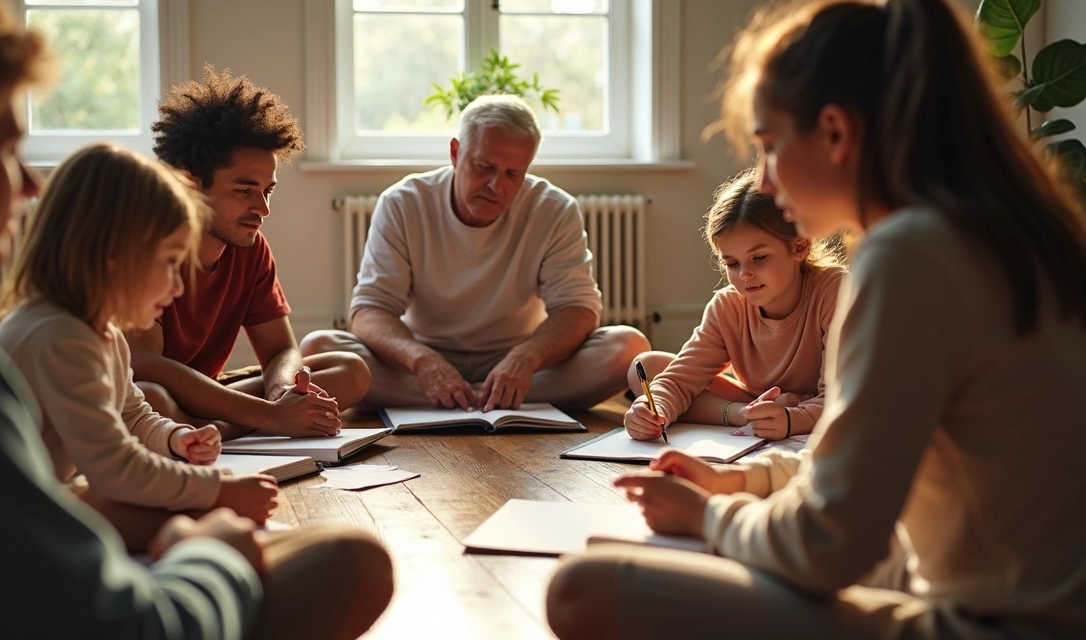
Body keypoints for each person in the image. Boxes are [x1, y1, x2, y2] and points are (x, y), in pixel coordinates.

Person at [546, 0, 1086, 638]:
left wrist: (708, 520)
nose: (767, 184)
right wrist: (743, 479)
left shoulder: (908, 253)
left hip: (993, 623)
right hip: (1015, 593)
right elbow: (874, 467)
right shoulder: (1014, 229)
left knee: (581, 589)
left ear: (835, 132)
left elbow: (832, 542)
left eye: (770, 147)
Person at [0, 2, 392, 638]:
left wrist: (199, 449)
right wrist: (213, 549)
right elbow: (123, 625)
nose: (32, 185)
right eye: (11, 150)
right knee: (353, 563)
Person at [0, 143, 284, 549]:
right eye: (169, 262)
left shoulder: (102, 332)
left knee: (206, 518)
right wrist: (216, 488)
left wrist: (174, 437)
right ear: (114, 254)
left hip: (38, 503)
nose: (179, 285)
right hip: (4, 526)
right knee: (214, 521)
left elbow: (133, 414)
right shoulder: (59, 336)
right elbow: (114, 467)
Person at [302, 95, 650, 411]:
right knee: (318, 348)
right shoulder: (403, 202)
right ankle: (492, 400)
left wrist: (525, 359)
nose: (497, 186)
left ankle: (464, 399)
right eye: (485, 167)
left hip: (520, 363)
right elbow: (370, 310)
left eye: (514, 173)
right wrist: (423, 361)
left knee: (629, 349)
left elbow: (579, 309)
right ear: (455, 153)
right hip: (418, 362)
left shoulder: (555, 209)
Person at [128, 67, 370, 439]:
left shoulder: (251, 248)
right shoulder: (147, 245)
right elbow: (145, 363)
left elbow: (281, 351)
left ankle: (214, 430)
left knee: (349, 369)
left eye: (267, 191)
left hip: (210, 394)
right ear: (192, 185)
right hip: (157, 394)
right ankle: (230, 427)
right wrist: (274, 417)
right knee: (152, 397)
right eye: (244, 191)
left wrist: (283, 392)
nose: (263, 209)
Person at [625, 168, 844, 441]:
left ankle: (768, 412)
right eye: (731, 263)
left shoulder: (835, 292)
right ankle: (746, 413)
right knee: (645, 369)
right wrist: (649, 410)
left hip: (821, 402)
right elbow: (679, 379)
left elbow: (846, 398)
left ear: (799, 247)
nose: (744, 275)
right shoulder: (728, 305)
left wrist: (791, 419)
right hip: (757, 398)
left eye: (760, 257)